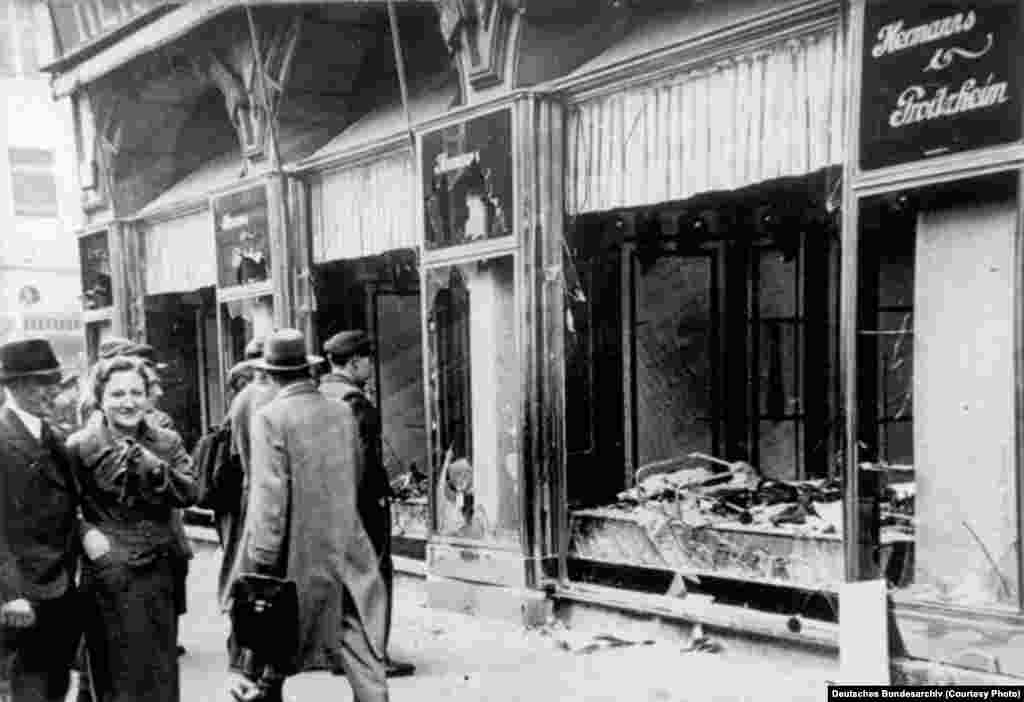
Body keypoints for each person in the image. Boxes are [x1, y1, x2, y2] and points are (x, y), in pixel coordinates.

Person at [230, 329, 389, 702]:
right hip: (347, 546)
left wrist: (262, 561)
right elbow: (357, 474)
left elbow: (269, 500)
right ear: (308, 369)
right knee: (361, 648)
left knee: (271, 646)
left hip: (295, 554)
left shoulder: (269, 417)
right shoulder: (342, 411)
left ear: (269, 374)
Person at [67, 356, 198, 702]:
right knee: (113, 678)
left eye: (137, 393)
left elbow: (191, 492)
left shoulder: (166, 442)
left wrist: (155, 468)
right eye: (117, 394)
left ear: (149, 396)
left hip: (157, 573)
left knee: (159, 676)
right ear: (100, 398)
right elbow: (62, 510)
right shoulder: (79, 447)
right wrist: (87, 535)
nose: (128, 402)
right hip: (108, 577)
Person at [320, 330, 414, 678]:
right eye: (368, 359)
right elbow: (361, 461)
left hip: (327, 505)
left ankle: (339, 654)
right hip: (361, 507)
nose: (371, 366)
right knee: (373, 577)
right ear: (356, 361)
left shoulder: (321, 394)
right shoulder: (355, 402)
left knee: (339, 580)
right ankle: (374, 655)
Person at [0, 339, 82, 702]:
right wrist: (10, 594)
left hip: (60, 587)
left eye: (53, 381)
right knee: (27, 688)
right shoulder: (4, 438)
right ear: (13, 387)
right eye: (39, 383)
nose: (50, 392)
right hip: (23, 595)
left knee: (55, 684)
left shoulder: (53, 436)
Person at [219, 337, 277, 609]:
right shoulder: (274, 397)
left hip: (248, 489)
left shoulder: (241, 398)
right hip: (270, 493)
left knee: (245, 560)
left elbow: (233, 451)